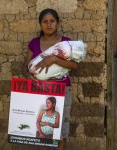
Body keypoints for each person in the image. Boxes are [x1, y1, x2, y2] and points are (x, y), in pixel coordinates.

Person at [23, 8, 78, 150]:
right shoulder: (34, 43)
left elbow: (74, 66)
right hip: (39, 90)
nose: (49, 24)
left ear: (57, 23)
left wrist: (54, 59)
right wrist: (29, 76)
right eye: (45, 21)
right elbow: (24, 66)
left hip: (61, 90)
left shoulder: (66, 42)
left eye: (52, 21)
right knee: (43, 131)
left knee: (60, 131)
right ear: (40, 24)